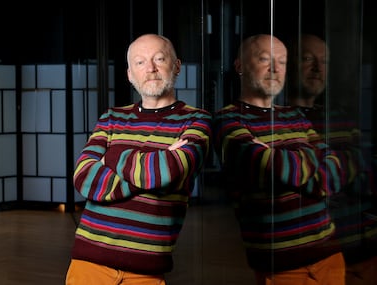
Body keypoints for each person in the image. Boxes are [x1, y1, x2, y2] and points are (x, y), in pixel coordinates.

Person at [65, 33, 212, 285]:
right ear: (130, 74)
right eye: (140, 62)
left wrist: (109, 158)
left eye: (159, 59)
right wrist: (154, 165)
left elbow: (168, 172)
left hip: (146, 270)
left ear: (176, 66)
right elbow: (84, 178)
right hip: (88, 263)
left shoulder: (196, 120)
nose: (151, 68)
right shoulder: (111, 117)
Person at [213, 34, 347, 284]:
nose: (275, 68)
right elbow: (271, 168)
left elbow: (335, 174)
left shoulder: (294, 115)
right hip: (281, 264)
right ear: (240, 66)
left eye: (282, 61)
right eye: (264, 59)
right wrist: (311, 158)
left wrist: (285, 162)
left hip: (329, 253)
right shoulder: (228, 120)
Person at [286, 33, 377, 285]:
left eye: (324, 61)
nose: (317, 68)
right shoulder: (277, 122)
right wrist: (347, 164)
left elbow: (366, 179)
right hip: (310, 255)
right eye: (307, 59)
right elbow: (299, 185)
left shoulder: (342, 119)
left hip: (363, 249)